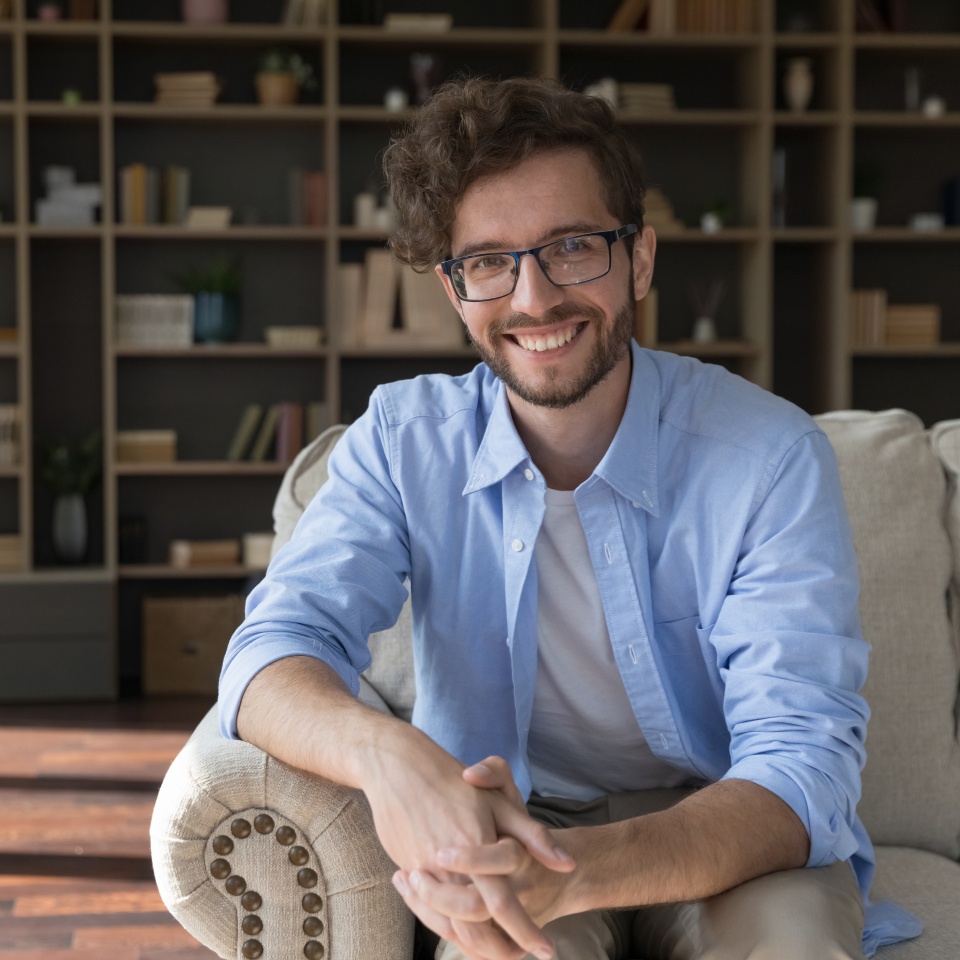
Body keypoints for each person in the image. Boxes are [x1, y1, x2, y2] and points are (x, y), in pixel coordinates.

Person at [219, 76, 920, 960]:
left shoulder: (768, 458)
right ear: (454, 289)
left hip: (730, 824)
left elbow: (801, 767)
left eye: (574, 246)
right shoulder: (401, 443)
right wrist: (385, 754)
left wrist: (581, 869)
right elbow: (270, 652)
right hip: (517, 825)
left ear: (641, 259)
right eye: (488, 261)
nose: (534, 298)